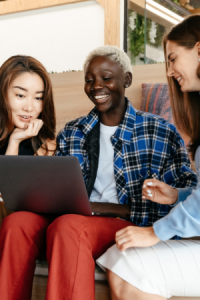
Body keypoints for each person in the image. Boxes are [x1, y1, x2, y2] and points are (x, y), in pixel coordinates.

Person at [44, 45, 196, 300]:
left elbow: (187, 194)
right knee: (65, 225)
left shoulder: (160, 131)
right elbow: (60, 194)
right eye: (89, 80)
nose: (96, 86)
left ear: (126, 79)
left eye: (106, 78)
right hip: (81, 222)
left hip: (129, 225)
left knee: (68, 227)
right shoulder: (72, 133)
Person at [97, 14, 200, 300]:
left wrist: (155, 232)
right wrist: (177, 196)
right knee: (121, 260)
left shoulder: (159, 132)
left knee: (127, 264)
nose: (169, 71)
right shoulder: (76, 132)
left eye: (173, 58)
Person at [0, 55, 56, 299]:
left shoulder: (47, 146)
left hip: (22, 228)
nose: (29, 107)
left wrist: (15, 142)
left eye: (38, 97)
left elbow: (14, 204)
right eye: (20, 95)